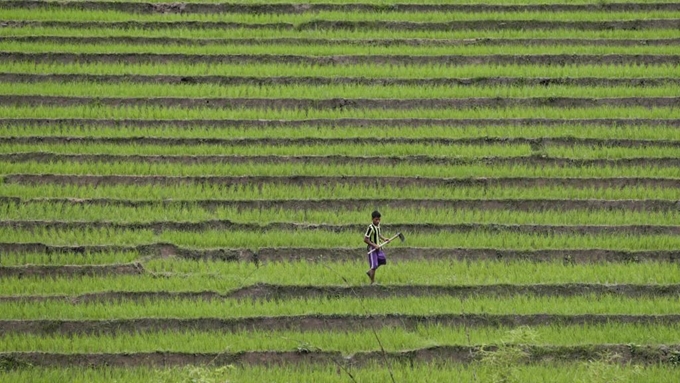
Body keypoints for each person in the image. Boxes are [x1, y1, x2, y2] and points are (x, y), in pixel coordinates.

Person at [364, 210, 389, 285]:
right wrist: (374, 245)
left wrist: (384, 239)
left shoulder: (378, 226)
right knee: (374, 265)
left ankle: (370, 271)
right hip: (373, 248)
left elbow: (379, 234)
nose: (378, 221)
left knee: (382, 260)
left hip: (379, 247)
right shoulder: (370, 228)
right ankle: (372, 282)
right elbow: (365, 239)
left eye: (379, 219)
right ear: (372, 219)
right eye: (376, 219)